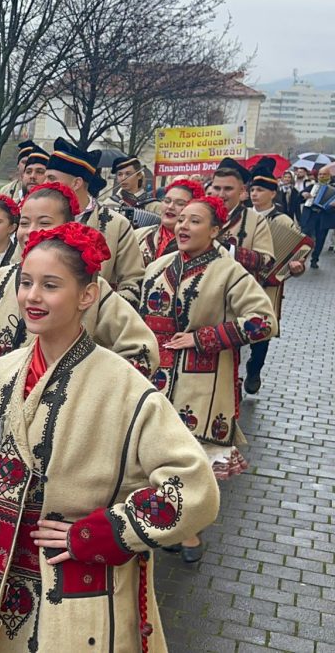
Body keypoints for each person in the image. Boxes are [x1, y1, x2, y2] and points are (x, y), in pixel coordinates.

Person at [0, 223, 219, 652]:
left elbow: (194, 487)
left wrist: (99, 532)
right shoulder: (2, 370)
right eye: (26, 282)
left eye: (50, 285)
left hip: (71, 582)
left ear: (87, 295)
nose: (32, 296)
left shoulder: (125, 387)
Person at [139, 195, 275, 562]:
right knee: (158, 453)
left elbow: (263, 321)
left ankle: (191, 532)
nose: (183, 226)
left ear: (216, 230)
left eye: (195, 221)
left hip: (205, 381)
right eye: (181, 219)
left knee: (195, 457)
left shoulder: (229, 271)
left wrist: (203, 338)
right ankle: (167, 522)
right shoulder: (159, 266)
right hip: (157, 378)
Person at [0, 182, 157, 375]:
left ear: (68, 226)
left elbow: (142, 351)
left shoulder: (88, 288)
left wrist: (87, 388)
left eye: (44, 223)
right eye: (25, 223)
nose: (31, 231)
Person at [44, 137, 142, 303]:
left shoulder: (116, 225)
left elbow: (133, 282)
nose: (44, 184)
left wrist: (100, 310)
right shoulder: (37, 220)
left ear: (76, 183)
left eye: (52, 178)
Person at [244, 159, 309, 395]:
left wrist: (296, 267)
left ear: (273, 193)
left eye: (260, 190)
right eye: (252, 189)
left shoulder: (283, 221)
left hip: (268, 287)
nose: (254, 194)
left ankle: (255, 368)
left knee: (262, 330)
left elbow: (299, 253)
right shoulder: (243, 218)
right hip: (239, 282)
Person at [208, 157, 276, 280]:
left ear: (242, 190)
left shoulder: (256, 220)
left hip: (237, 292)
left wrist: (228, 249)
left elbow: (267, 262)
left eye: (228, 189)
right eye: (217, 188)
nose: (221, 194)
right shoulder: (199, 213)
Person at [135, 179, 203, 266]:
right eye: (167, 201)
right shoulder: (139, 235)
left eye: (180, 203)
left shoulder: (196, 246)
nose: (170, 207)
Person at [301, 167, 335, 269]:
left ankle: (314, 259)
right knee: (305, 238)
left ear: (329, 176)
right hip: (311, 216)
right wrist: (304, 194)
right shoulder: (312, 186)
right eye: (320, 174)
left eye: (324, 174)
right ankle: (301, 258)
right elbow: (301, 194)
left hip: (324, 217)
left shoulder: (333, 188)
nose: (321, 176)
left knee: (320, 240)